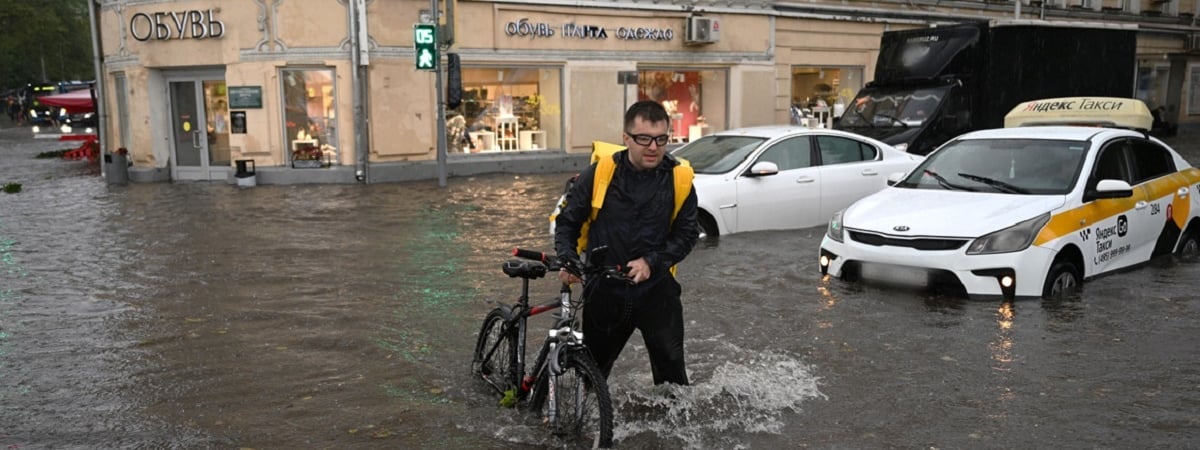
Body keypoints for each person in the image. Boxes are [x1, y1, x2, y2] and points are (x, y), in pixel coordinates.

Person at [553, 100, 700, 386]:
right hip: (605, 291)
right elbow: (568, 221)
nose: (653, 147)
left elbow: (687, 234)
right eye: (644, 139)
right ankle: (585, 425)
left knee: (673, 379)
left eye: (661, 139)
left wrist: (651, 262)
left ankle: (669, 428)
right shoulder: (599, 174)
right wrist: (568, 258)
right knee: (591, 375)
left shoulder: (679, 178)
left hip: (657, 292)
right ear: (626, 138)